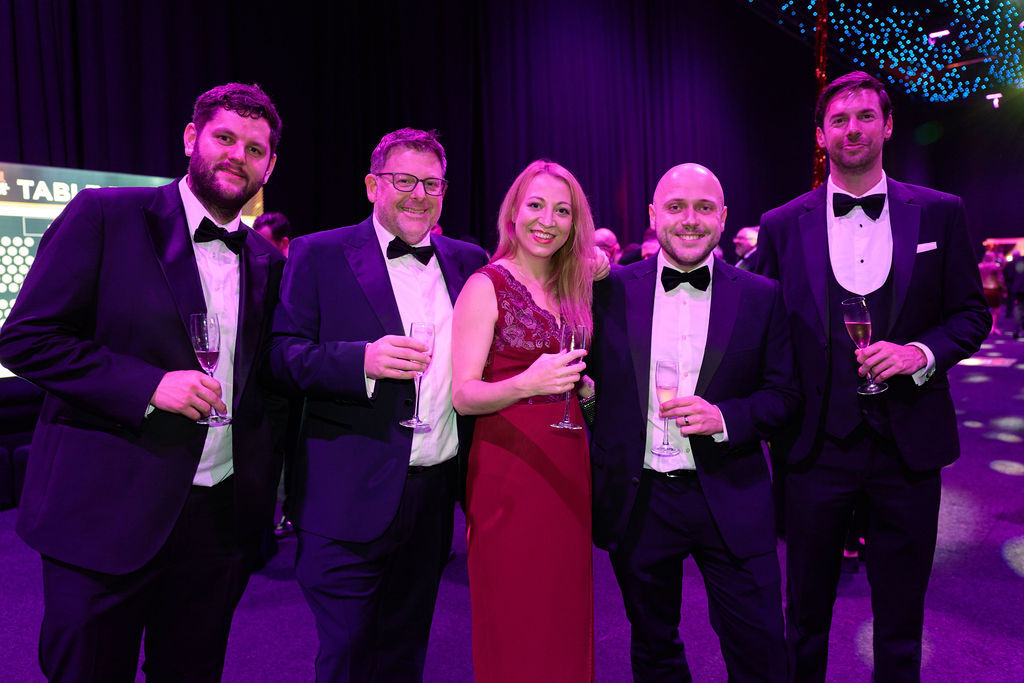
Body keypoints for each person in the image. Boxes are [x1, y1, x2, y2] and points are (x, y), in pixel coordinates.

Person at [0, 82, 286, 681]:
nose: (238, 155)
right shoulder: (107, 215)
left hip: (218, 520)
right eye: (225, 138)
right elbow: (25, 339)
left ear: (270, 165)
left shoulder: (269, 262)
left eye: (255, 149)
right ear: (191, 139)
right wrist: (149, 387)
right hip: (105, 511)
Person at [756, 71, 989, 681]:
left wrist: (921, 352)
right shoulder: (781, 224)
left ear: (887, 126)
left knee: (902, 621)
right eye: (838, 119)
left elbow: (971, 314)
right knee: (804, 617)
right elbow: (753, 319)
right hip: (813, 450)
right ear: (820, 135)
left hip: (908, 451)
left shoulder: (940, 212)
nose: (852, 129)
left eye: (865, 117)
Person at [268, 128, 488, 682]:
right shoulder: (319, 253)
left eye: (432, 184)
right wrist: (359, 361)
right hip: (343, 496)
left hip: (432, 495)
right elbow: (282, 357)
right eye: (404, 181)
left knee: (404, 653)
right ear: (373, 186)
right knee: (346, 656)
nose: (419, 195)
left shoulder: (469, 261)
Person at [589, 162, 798, 681]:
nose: (690, 219)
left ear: (723, 217)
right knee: (653, 646)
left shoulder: (761, 295)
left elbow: (785, 396)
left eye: (704, 208)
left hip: (732, 492)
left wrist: (725, 417)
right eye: (676, 207)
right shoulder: (608, 291)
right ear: (653, 215)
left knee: (761, 651)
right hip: (640, 499)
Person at [450, 159, 596, 682]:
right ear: (513, 212)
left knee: (564, 603)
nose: (547, 220)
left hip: (568, 459)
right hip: (509, 464)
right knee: (515, 606)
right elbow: (463, 395)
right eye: (535, 205)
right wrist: (526, 384)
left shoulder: (572, 285)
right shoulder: (485, 285)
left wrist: (585, 392)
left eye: (562, 211)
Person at [979, 250, 1006, 335]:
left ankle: (982, 326)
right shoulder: (995, 267)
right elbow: (1000, 279)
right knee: (996, 310)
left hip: (983, 289)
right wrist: (1003, 289)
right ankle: (993, 327)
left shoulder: (979, 266)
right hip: (993, 290)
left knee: (982, 309)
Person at [1005, 251, 1024, 338]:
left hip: (1018, 289)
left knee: (1018, 308)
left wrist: (1011, 286)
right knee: (1019, 308)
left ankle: (1016, 330)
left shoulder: (1011, 263)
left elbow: (1009, 276)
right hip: (1019, 288)